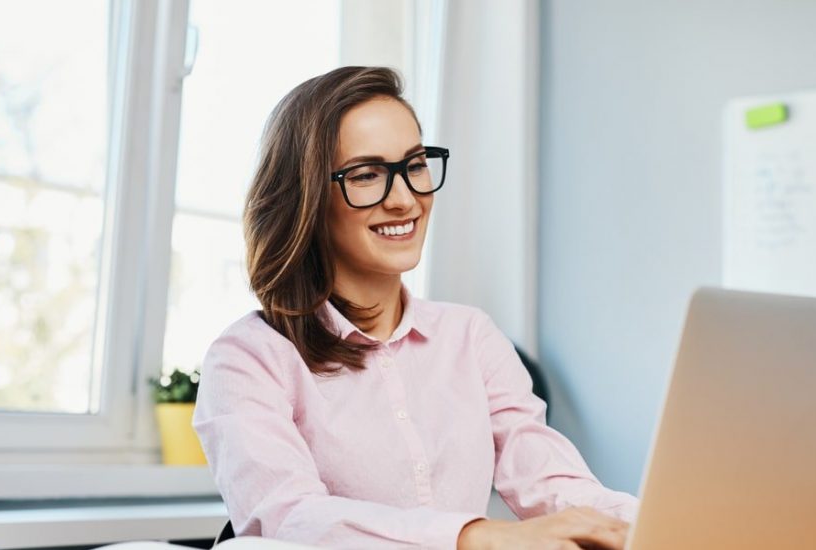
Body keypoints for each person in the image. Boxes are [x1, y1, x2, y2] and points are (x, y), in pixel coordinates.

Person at [193, 66, 638, 550]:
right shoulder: (246, 358)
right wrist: (474, 537)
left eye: (416, 165)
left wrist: (647, 522)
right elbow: (287, 519)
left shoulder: (471, 336)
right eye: (366, 175)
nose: (405, 199)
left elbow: (550, 480)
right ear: (308, 197)